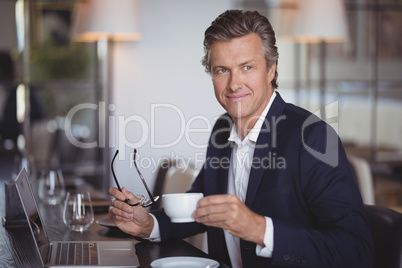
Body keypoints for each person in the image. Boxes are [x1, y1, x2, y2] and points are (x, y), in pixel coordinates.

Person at [108, 10, 373, 267]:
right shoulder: (222, 130)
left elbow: (355, 250)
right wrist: (149, 224)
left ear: (271, 69)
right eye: (222, 70)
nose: (234, 84)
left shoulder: (313, 136)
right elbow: (200, 208)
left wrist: (259, 228)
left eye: (247, 67)